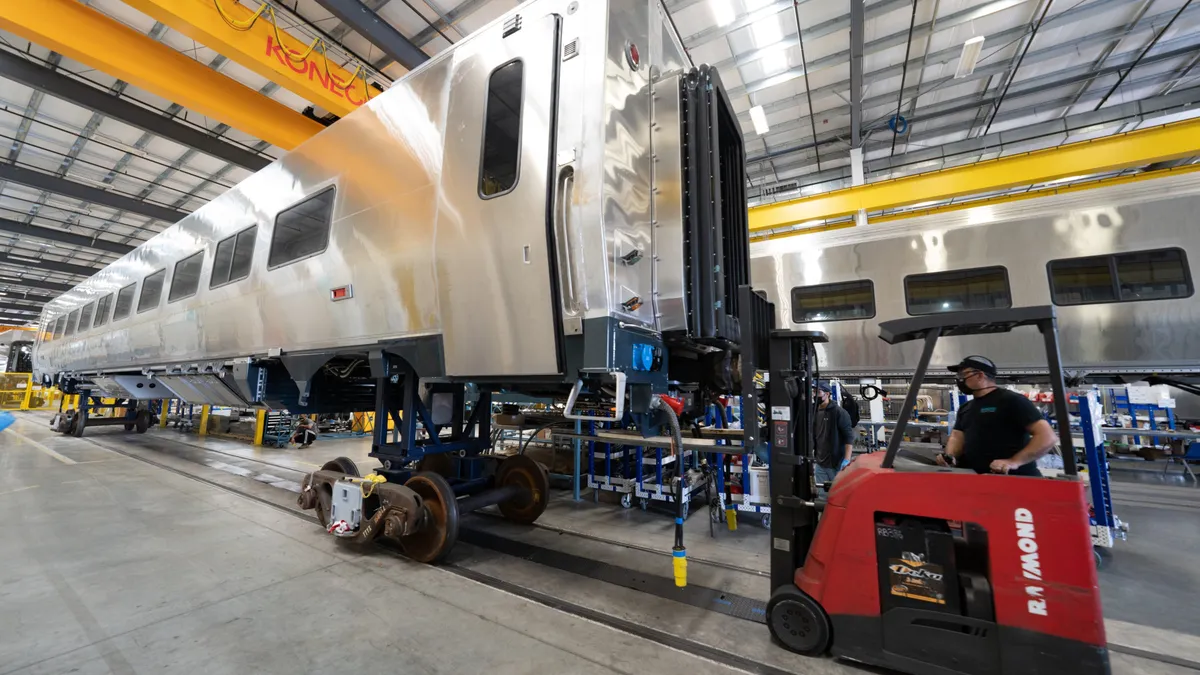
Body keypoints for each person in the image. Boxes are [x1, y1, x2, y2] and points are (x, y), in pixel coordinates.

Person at [937, 356, 1058, 476]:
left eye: (963, 375)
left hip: (1015, 480)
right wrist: (950, 456)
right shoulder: (966, 408)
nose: (959, 379)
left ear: (979, 375)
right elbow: (957, 437)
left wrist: (1013, 462)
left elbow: (1047, 437)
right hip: (978, 480)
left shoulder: (1012, 400)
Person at [813, 381, 855, 490]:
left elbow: (849, 437)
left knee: (837, 494)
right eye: (813, 392)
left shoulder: (839, 412)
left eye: (818, 392)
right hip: (820, 463)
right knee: (822, 496)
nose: (814, 395)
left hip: (836, 464)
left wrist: (846, 460)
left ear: (827, 394)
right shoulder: (813, 412)